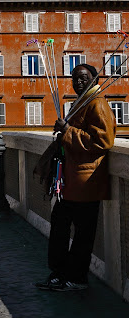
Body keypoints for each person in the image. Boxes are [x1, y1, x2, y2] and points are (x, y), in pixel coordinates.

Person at [35, 64, 116, 291]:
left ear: (95, 79)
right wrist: (64, 131)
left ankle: (76, 278)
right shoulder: (82, 103)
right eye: (74, 78)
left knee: (81, 233)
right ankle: (59, 273)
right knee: (61, 227)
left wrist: (68, 130)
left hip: (86, 182)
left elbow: (103, 141)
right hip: (71, 181)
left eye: (83, 77)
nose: (77, 81)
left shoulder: (97, 103)